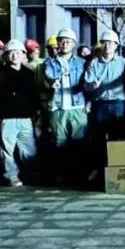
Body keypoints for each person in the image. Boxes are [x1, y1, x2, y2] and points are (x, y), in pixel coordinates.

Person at [0, 39, 39, 187]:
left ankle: (29, 173)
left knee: (29, 149)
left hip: (25, 118)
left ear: (23, 54)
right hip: (7, 118)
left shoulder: (29, 73)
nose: (14, 55)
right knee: (7, 149)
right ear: (6, 55)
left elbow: (34, 95)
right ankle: (11, 175)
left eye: (18, 52)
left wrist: (34, 112)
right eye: (11, 53)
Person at [43, 29, 88, 183]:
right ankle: (61, 174)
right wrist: (53, 81)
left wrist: (88, 103)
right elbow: (49, 74)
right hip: (58, 107)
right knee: (59, 142)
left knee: (79, 143)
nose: (64, 44)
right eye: (61, 41)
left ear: (74, 44)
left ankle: (78, 174)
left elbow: (86, 84)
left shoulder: (81, 62)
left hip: (78, 106)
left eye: (68, 41)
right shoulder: (50, 62)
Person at [85, 30, 125, 172]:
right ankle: (99, 170)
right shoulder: (93, 64)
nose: (108, 46)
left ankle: (117, 169)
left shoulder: (123, 63)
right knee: (98, 139)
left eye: (111, 43)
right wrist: (92, 85)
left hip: (118, 104)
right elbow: (86, 84)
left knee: (118, 137)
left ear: (116, 45)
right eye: (105, 43)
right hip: (100, 104)